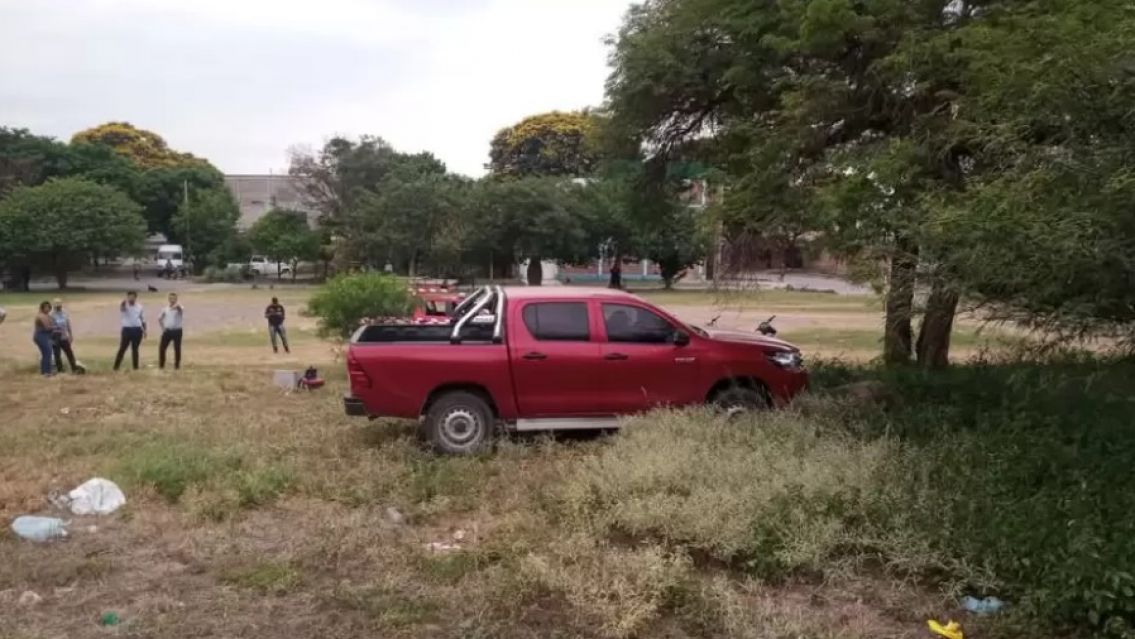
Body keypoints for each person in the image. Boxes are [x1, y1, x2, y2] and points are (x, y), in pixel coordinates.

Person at [113, 291, 146, 371]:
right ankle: (116, 367)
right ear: (127, 297)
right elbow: (122, 308)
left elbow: (142, 319)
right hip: (127, 330)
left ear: (135, 297)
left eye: (132, 297)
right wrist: (123, 303)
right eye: (129, 297)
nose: (131, 298)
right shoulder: (125, 306)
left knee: (135, 349)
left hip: (137, 330)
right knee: (122, 348)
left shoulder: (139, 307)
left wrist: (144, 330)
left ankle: (135, 367)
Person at [50, 298, 83, 374]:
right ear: (54, 306)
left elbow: (68, 325)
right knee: (57, 355)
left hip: (64, 337)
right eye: (57, 305)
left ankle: (74, 368)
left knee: (70, 353)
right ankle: (60, 370)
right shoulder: (51, 315)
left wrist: (70, 335)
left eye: (59, 305)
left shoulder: (64, 314)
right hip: (56, 338)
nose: (58, 307)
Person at [158, 292, 184, 370]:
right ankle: (161, 365)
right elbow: (159, 319)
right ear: (168, 299)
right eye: (171, 298)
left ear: (176, 299)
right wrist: (163, 328)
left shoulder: (180, 308)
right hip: (167, 331)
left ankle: (177, 366)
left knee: (177, 349)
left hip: (177, 331)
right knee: (162, 348)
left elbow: (179, 308)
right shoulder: (165, 309)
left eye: (174, 298)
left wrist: (176, 306)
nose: (172, 300)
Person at [32, 301, 55, 377]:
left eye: (48, 307)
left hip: (46, 336)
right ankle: (45, 372)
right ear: (42, 308)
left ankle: (48, 371)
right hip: (40, 335)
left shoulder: (47, 316)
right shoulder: (41, 316)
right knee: (47, 353)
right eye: (46, 307)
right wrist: (56, 328)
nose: (47, 309)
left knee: (48, 353)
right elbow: (47, 327)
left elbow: (52, 324)